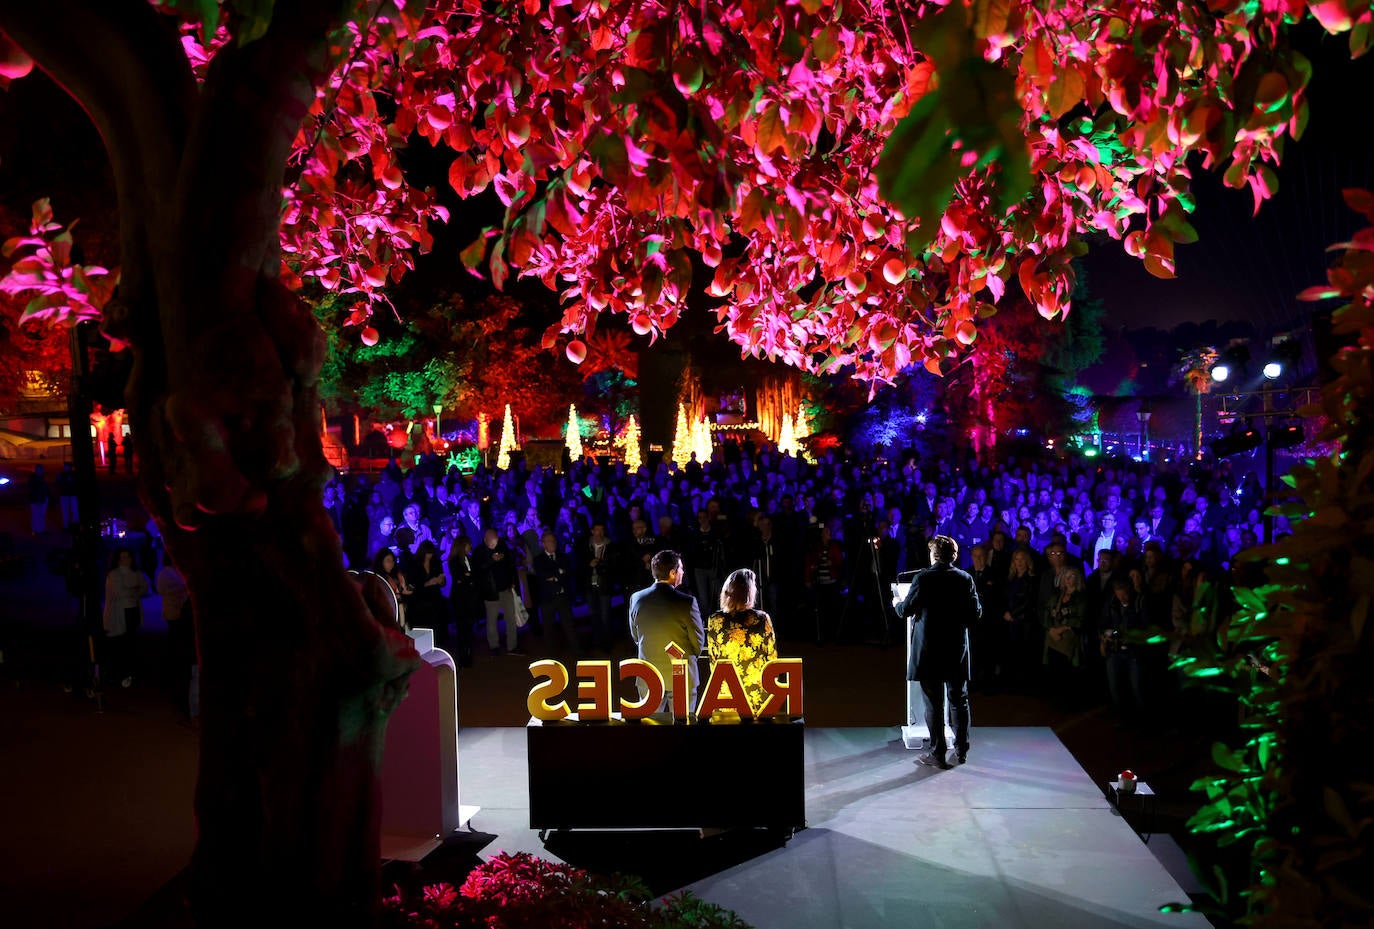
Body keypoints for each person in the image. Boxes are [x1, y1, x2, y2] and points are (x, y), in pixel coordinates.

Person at [897, 535, 981, 769]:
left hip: (929, 650)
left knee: (933, 703)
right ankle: (962, 750)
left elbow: (906, 610)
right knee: (959, 700)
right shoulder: (965, 579)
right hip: (956, 649)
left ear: (933, 555)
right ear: (954, 556)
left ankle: (938, 754)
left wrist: (896, 604)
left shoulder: (923, 578)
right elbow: (976, 614)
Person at [627, 550, 704, 716]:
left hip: (649, 675)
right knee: (683, 727)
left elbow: (636, 636)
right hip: (681, 675)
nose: (683, 572)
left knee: (652, 732)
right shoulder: (687, 602)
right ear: (672, 573)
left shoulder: (636, 598)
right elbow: (698, 643)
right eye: (681, 569)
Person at [705, 568, 777, 716]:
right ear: (749, 593)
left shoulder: (715, 620)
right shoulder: (762, 619)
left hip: (726, 696)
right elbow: (772, 658)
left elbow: (714, 661)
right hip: (756, 695)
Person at [103, 547, 149, 688]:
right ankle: (119, 674)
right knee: (120, 643)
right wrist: (134, 590)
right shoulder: (114, 574)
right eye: (123, 557)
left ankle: (130, 672)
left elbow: (144, 588)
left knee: (131, 642)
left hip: (133, 610)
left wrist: (133, 591)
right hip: (120, 613)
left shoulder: (136, 573)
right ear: (118, 559)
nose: (126, 559)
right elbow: (121, 592)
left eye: (128, 556)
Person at [474, 527, 522, 654]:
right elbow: (478, 571)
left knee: (511, 618)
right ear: (485, 540)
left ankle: (512, 645)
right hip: (491, 592)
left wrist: (512, 582)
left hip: (505, 588)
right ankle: (494, 646)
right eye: (491, 544)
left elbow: (510, 565)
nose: (494, 546)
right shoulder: (479, 551)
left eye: (495, 542)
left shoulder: (502, 547)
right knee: (492, 620)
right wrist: (491, 561)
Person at [530, 530, 579, 650]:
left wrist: (554, 576)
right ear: (543, 544)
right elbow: (543, 575)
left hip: (563, 596)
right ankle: (550, 654)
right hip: (548, 598)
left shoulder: (563, 557)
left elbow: (568, 574)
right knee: (548, 627)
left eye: (553, 541)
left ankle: (577, 651)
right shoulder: (538, 560)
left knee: (569, 625)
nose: (552, 543)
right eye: (549, 541)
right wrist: (559, 573)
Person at [371, 548, 413, 630]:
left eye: (392, 561)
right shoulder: (376, 578)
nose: (391, 564)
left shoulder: (396, 575)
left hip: (399, 606)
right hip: (385, 610)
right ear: (381, 562)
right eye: (388, 561)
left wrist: (406, 590)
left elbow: (403, 590)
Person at [56, 461, 78, 530]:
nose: (64, 467)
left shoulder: (73, 474)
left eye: (66, 466)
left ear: (69, 467)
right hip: (64, 495)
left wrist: (70, 481)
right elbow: (58, 484)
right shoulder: (61, 474)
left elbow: (75, 484)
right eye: (64, 466)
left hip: (72, 495)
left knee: (74, 510)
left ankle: (75, 525)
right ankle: (66, 526)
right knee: (65, 511)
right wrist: (58, 479)